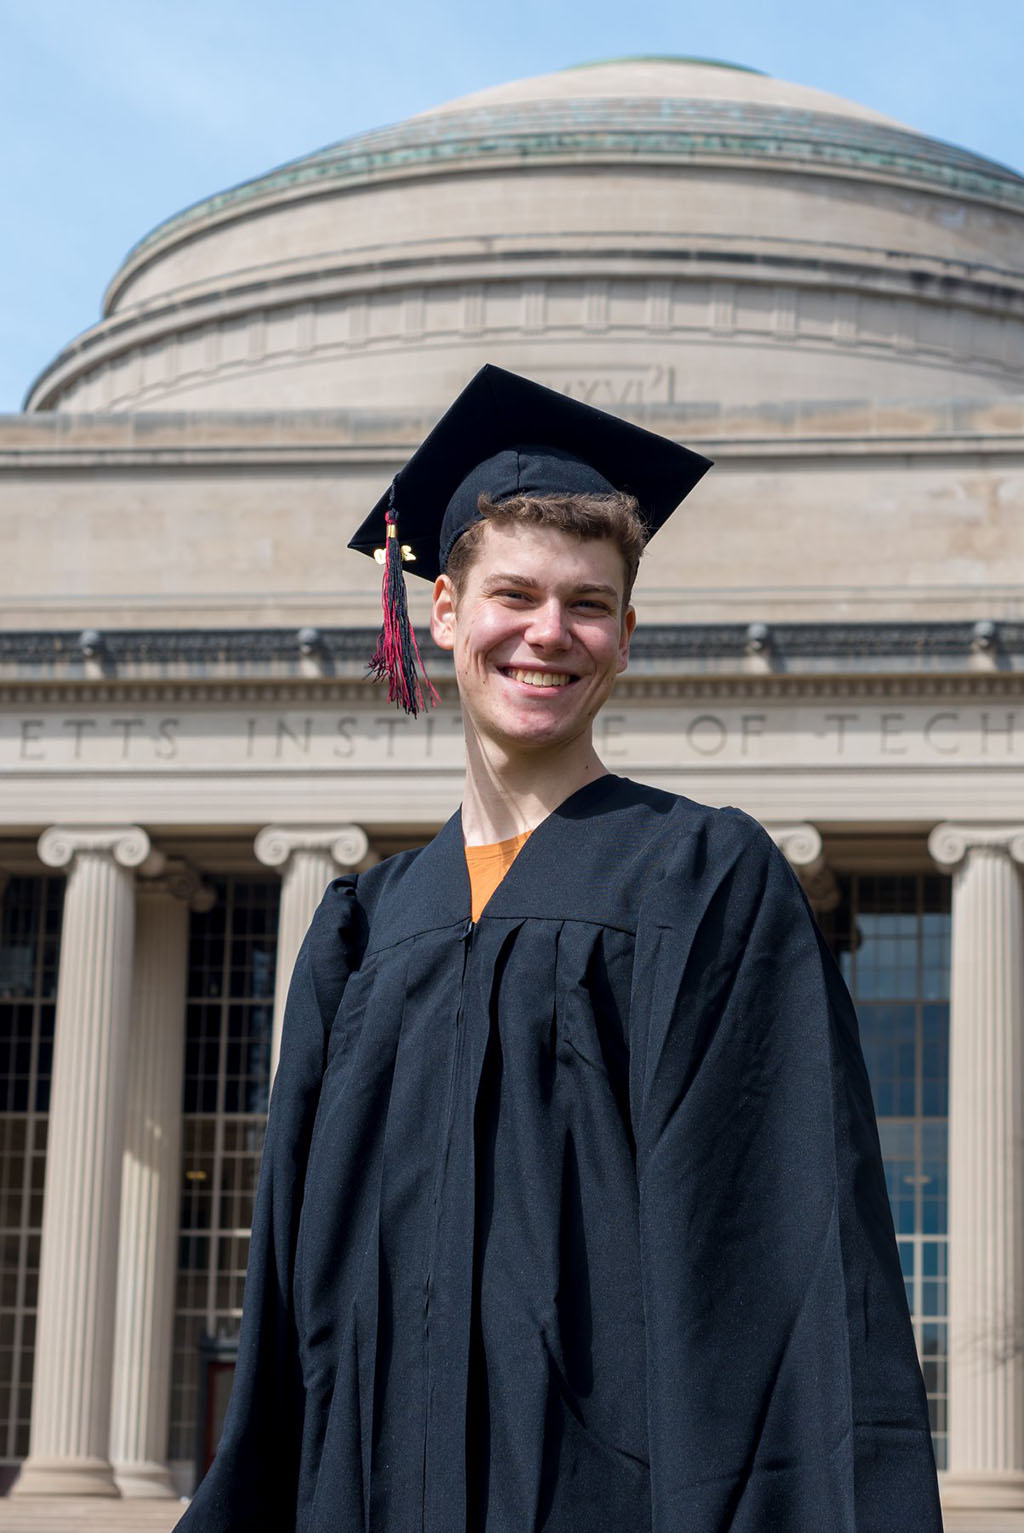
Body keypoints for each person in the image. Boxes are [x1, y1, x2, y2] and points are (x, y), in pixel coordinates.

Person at [176, 366, 942, 1531]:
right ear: (440, 612)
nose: (548, 633)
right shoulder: (362, 932)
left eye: (587, 605)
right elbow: (295, 1302)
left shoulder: (705, 883)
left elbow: (778, 1266)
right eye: (515, 596)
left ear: (625, 638)